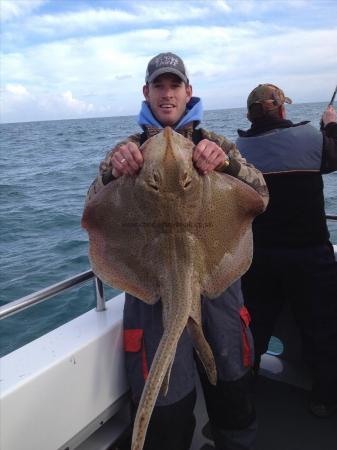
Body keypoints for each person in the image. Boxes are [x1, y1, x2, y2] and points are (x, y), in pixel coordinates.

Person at [87, 53, 269, 450]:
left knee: (233, 389)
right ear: (146, 93)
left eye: (175, 86)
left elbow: (260, 195)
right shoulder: (127, 152)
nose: (167, 95)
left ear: (189, 92)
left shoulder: (215, 144)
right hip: (153, 290)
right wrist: (111, 174)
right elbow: (92, 211)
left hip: (215, 281)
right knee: (165, 410)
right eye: (159, 86)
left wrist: (228, 167)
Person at [236, 83, 337, 417]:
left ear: (251, 115)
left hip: (259, 259)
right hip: (310, 258)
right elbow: (332, 156)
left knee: (255, 326)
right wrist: (331, 126)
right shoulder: (310, 137)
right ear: (281, 109)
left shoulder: (239, 148)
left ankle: (244, 390)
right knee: (320, 327)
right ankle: (324, 397)